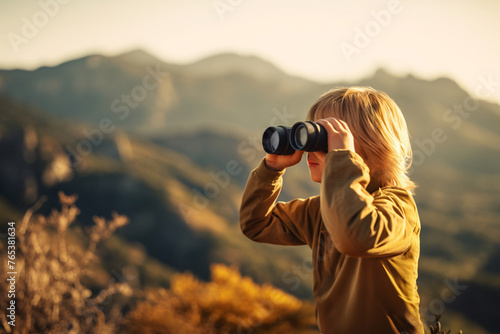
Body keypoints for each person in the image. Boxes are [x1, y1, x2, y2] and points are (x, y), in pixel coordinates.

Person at [239, 87, 424, 333]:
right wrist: (271, 170)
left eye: (325, 138)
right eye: (312, 132)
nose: (309, 149)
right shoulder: (319, 210)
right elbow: (256, 224)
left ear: (373, 143)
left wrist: (341, 160)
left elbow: (356, 237)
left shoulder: (398, 207)